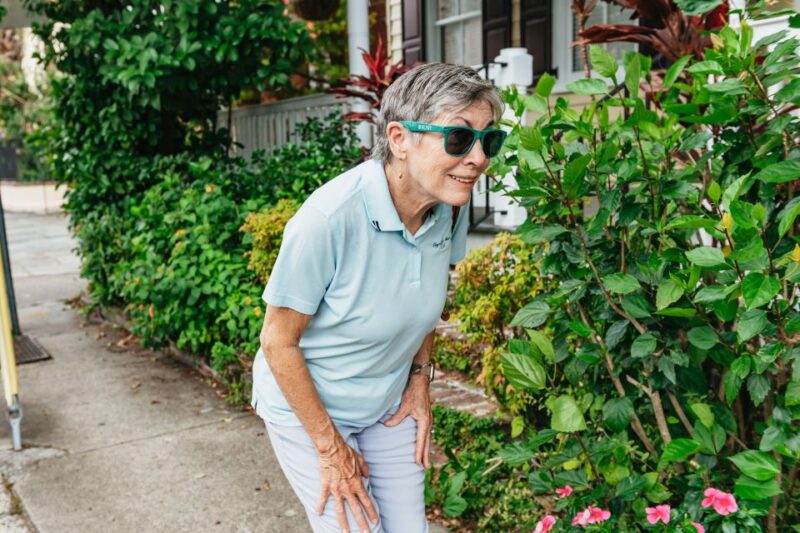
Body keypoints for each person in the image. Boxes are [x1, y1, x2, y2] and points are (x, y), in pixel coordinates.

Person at [251, 63, 506, 533]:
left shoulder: (447, 212)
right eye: (459, 138)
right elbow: (277, 342)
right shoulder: (328, 219)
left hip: (386, 401)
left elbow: (423, 307)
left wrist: (419, 382)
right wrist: (329, 449)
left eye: (489, 140)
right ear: (399, 138)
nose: (478, 158)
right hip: (310, 410)